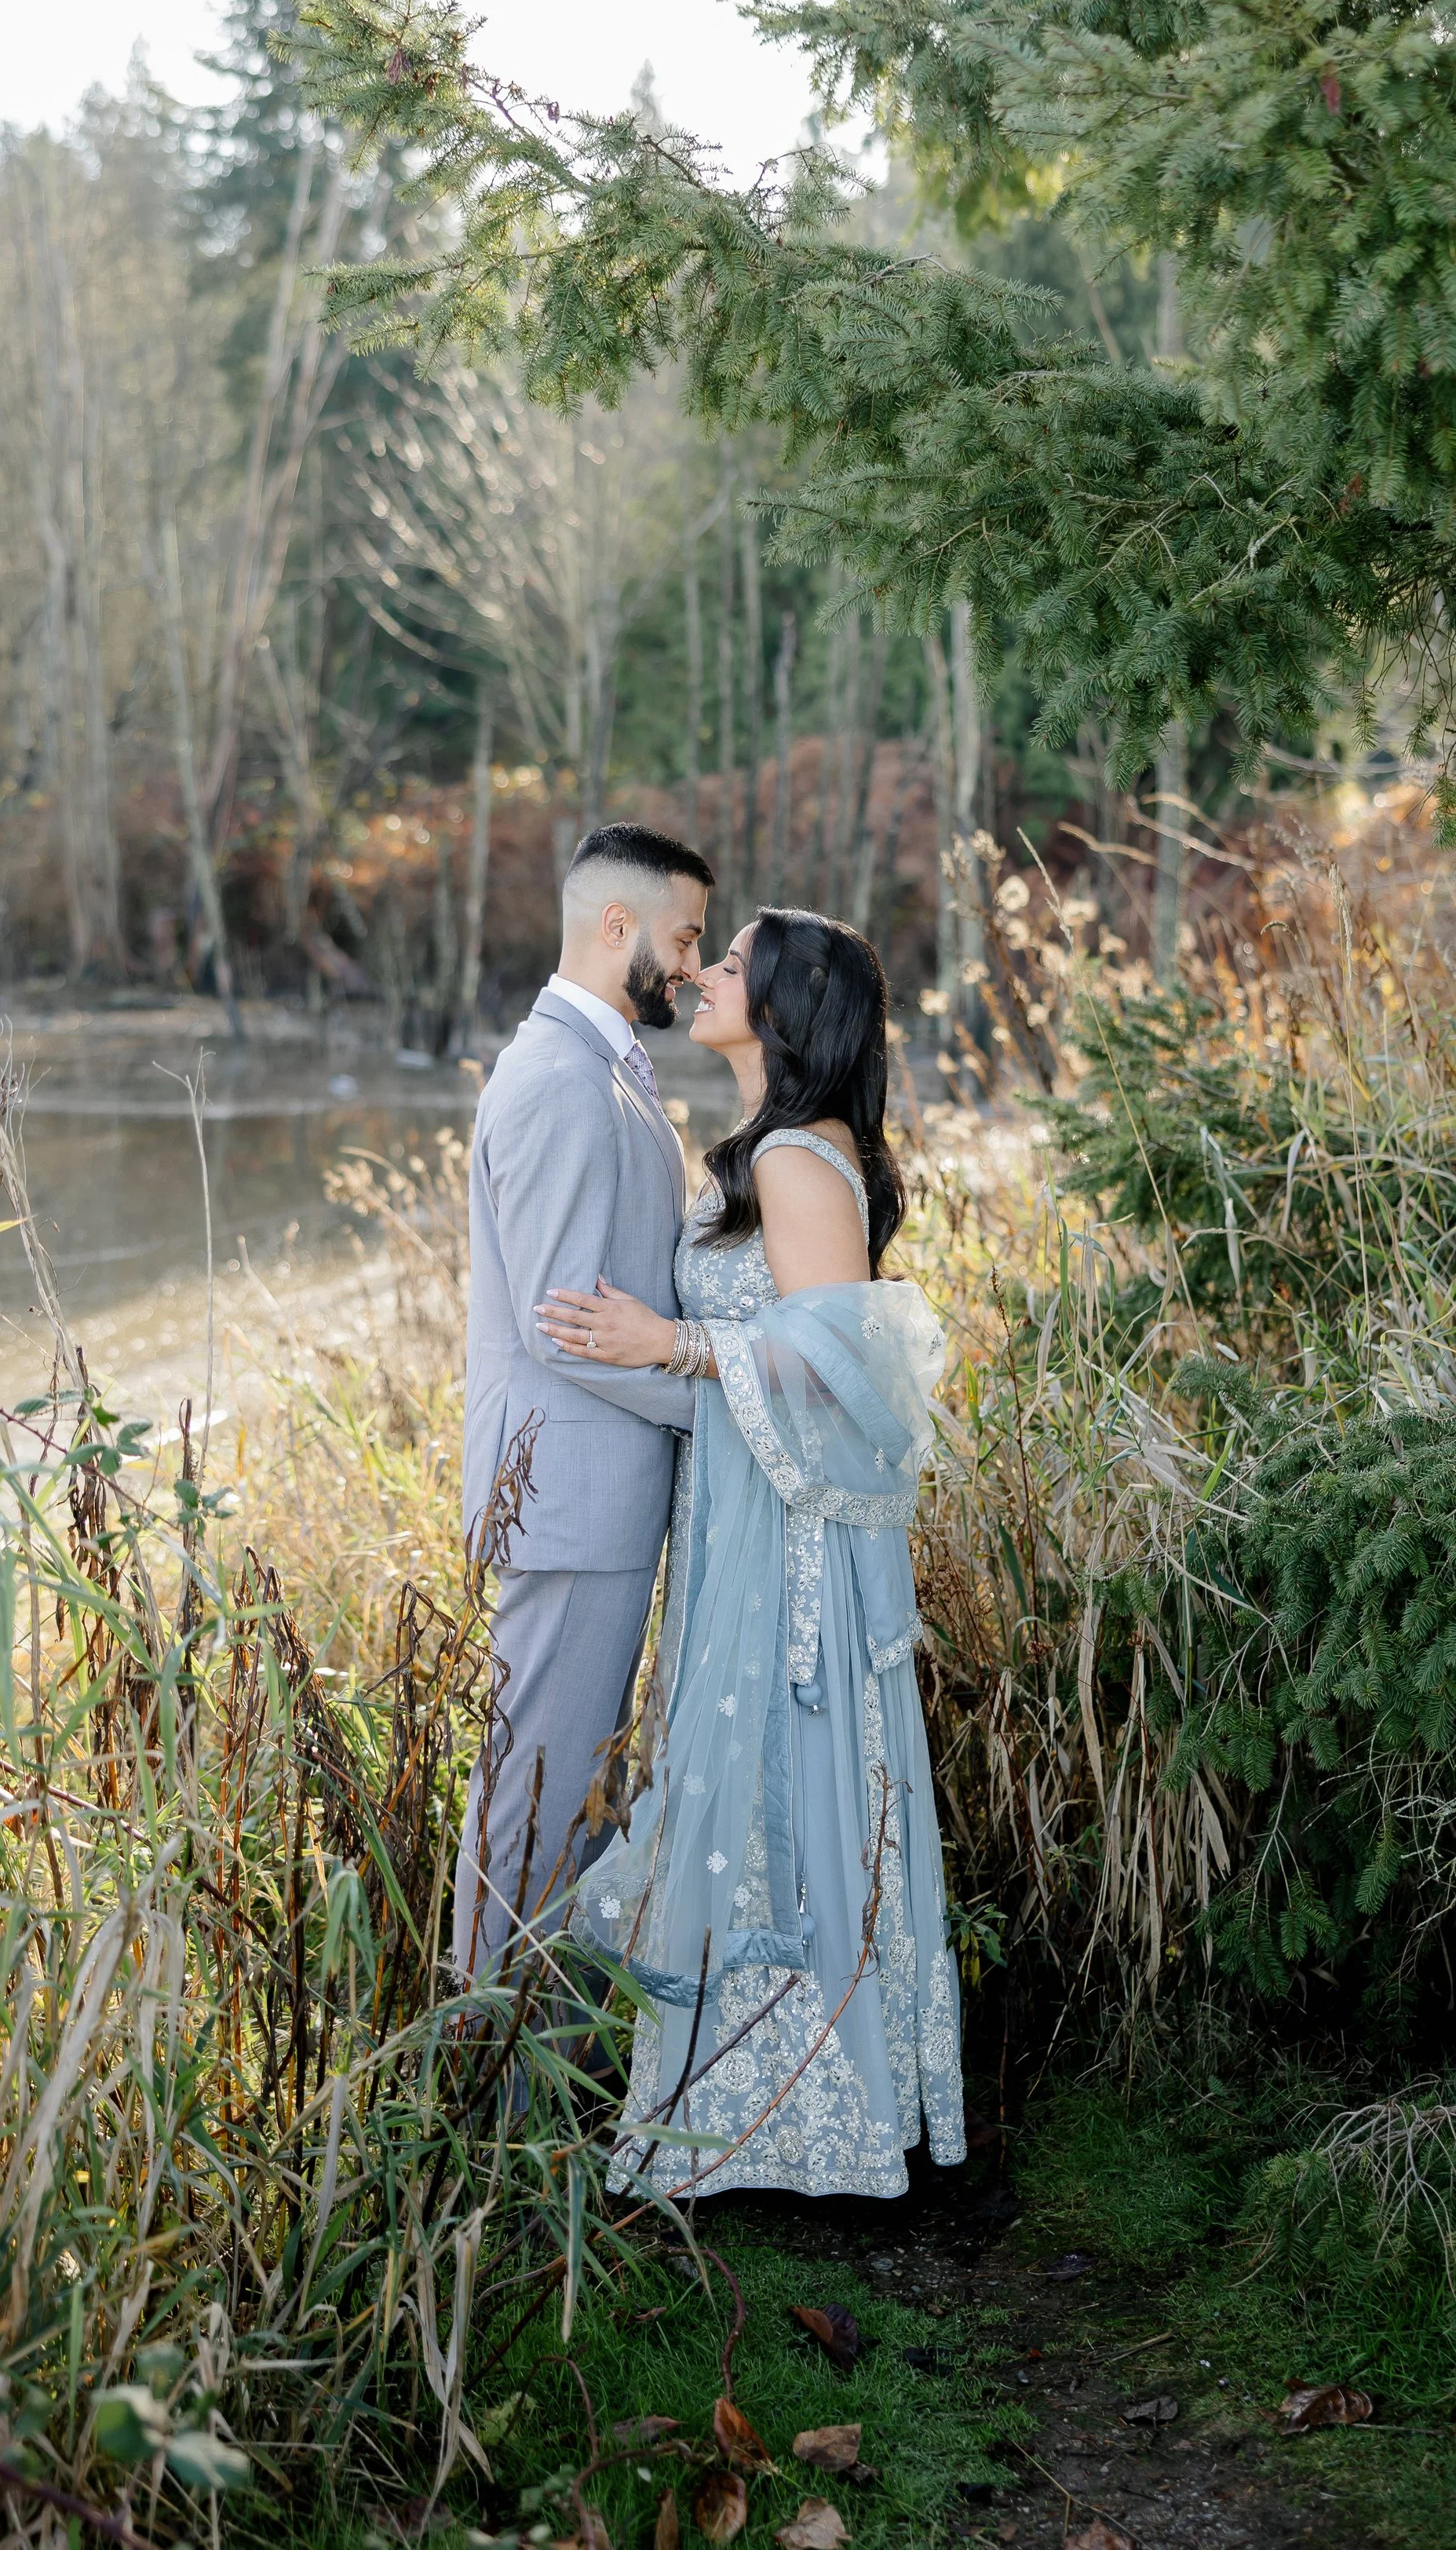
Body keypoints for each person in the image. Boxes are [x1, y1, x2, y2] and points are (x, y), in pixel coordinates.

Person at [538, 908, 965, 2200]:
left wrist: (668, 1343)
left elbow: (844, 1366)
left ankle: (807, 2116)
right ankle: (748, 2107)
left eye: (731, 964)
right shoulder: (773, 1149)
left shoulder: (793, 1158)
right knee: (741, 1793)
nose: (706, 974)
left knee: (788, 1785)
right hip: (743, 1511)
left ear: (779, 1010)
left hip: (794, 1544)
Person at [456, 820, 715, 1976]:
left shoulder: (602, 1063)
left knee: (575, 1808)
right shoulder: (561, 1077)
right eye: (685, 937)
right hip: (566, 1502)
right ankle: (485, 2068)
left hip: (595, 1499)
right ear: (619, 926)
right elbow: (564, 1326)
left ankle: (539, 2057)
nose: (693, 966)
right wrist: (723, 1406)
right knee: (537, 1811)